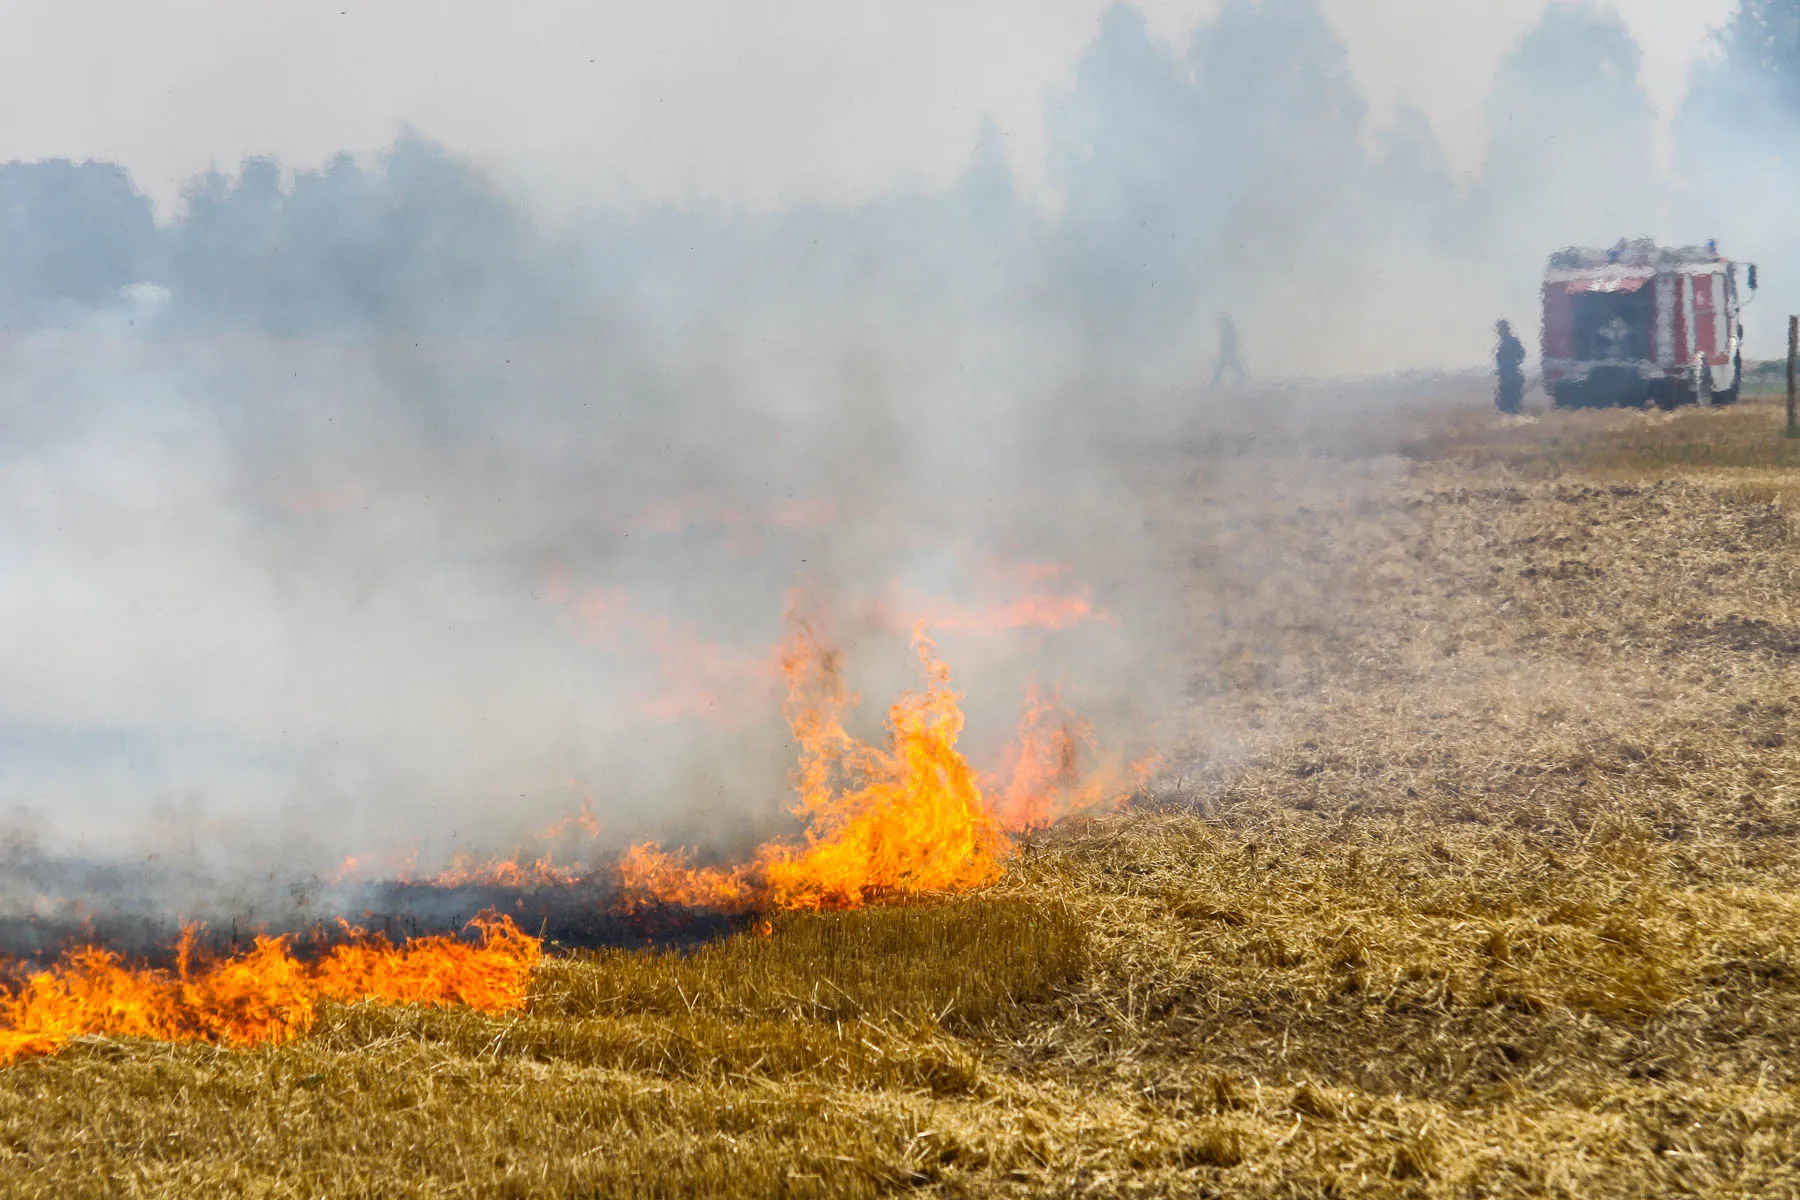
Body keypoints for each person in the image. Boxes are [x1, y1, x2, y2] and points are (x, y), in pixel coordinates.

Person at [1495, 319, 1526, 414]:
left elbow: (1521, 354)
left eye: (1501, 329)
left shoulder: (1511, 342)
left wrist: (1513, 362)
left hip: (1510, 375)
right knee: (1505, 402)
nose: (1499, 331)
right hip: (1505, 375)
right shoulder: (1503, 343)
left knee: (1509, 401)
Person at [1210, 315, 1246, 389]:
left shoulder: (1229, 332)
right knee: (1217, 374)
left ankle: (1241, 386)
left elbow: (1229, 343)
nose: (1218, 326)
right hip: (1227, 355)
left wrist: (1224, 349)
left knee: (1217, 374)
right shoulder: (1228, 332)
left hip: (1228, 355)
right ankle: (1211, 389)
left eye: (1220, 323)